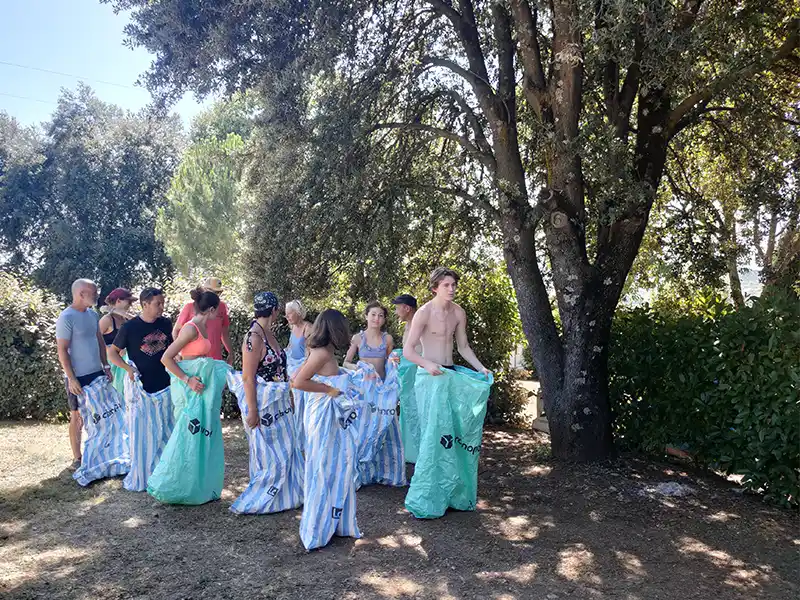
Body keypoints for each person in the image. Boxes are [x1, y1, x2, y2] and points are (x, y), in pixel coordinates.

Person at [56, 279, 111, 470]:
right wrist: (71, 378)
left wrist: (106, 366)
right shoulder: (66, 317)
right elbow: (62, 350)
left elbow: (100, 342)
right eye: (93, 293)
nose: (97, 296)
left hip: (97, 373)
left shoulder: (93, 315)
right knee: (77, 415)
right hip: (77, 377)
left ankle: (102, 451)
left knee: (101, 413)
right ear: (81, 294)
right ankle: (77, 458)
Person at [403, 268, 489, 376]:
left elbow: (463, 347)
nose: (451, 289)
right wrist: (427, 364)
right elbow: (407, 350)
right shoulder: (424, 313)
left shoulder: (459, 313)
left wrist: (481, 368)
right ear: (435, 288)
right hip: (429, 373)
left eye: (453, 285)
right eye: (446, 285)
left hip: (449, 371)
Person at [107, 288, 173, 394]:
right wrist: (127, 368)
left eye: (163, 303)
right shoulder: (129, 327)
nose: (162, 307)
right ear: (145, 304)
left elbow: (172, 347)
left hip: (167, 383)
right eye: (158, 304)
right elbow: (112, 352)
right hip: (141, 386)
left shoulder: (166, 323)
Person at [241, 291, 287, 429]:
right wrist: (253, 410)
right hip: (263, 407)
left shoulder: (267, 333)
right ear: (273, 310)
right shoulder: (254, 338)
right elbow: (247, 377)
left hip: (279, 404)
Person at [162, 288, 220, 392]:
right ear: (212, 309)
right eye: (218, 309)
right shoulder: (190, 329)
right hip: (189, 385)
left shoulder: (203, 326)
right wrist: (188, 380)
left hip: (201, 382)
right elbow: (165, 358)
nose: (219, 312)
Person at [172, 277, 234, 365]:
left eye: (218, 292)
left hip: (215, 359)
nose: (216, 295)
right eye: (212, 291)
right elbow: (176, 331)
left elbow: (224, 334)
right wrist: (177, 353)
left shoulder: (222, 307)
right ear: (204, 290)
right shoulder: (190, 307)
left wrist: (231, 353)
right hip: (194, 362)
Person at [343, 301, 394, 379]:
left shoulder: (388, 339)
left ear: (384, 319)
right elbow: (346, 363)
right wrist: (354, 367)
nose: (376, 318)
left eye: (380, 315)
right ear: (366, 316)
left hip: (383, 383)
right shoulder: (357, 338)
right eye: (373, 314)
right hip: (363, 383)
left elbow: (390, 363)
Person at [99, 288, 134, 396]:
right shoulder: (107, 319)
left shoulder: (126, 319)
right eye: (129, 301)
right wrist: (111, 350)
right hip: (112, 363)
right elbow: (94, 340)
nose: (130, 305)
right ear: (118, 301)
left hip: (126, 361)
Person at [285, 299, 313, 365]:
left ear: (298, 312)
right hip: (291, 361)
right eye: (286, 314)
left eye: (289, 313)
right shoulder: (292, 326)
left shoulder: (308, 328)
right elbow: (290, 346)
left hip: (303, 364)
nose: (287, 317)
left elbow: (312, 353)